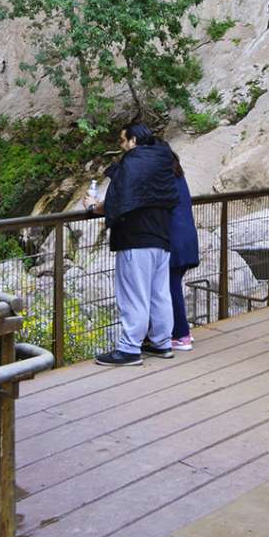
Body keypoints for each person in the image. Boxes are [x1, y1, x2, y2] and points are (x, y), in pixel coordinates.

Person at [98, 122, 185, 364]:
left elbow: (119, 198)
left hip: (135, 240)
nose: (121, 145)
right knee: (160, 294)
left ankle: (129, 349)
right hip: (161, 237)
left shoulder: (133, 163)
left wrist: (96, 208)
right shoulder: (162, 161)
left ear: (134, 141)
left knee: (134, 295)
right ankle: (161, 343)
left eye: (123, 140)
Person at [166, 172, 201, 352]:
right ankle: (180, 329)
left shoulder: (163, 174)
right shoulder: (178, 173)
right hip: (187, 236)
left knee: (171, 288)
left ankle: (181, 334)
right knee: (173, 286)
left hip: (174, 239)